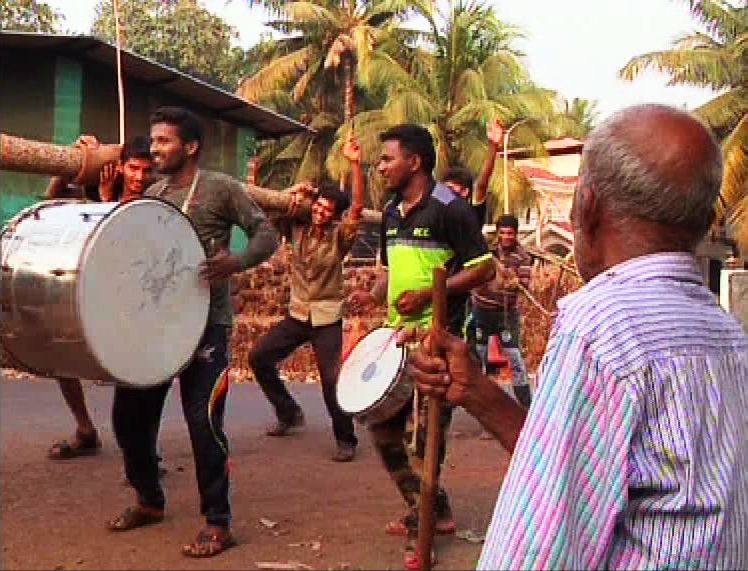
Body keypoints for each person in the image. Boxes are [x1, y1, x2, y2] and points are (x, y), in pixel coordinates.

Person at [407, 104, 748, 570]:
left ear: (586, 205)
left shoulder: (601, 326)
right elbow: (590, 470)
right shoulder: (728, 334)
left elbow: (536, 548)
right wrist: (479, 393)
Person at [106, 106, 279, 559]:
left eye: (164, 141)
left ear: (190, 146)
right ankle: (149, 499)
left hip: (207, 329)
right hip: (158, 329)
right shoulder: (155, 194)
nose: (156, 148)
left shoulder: (222, 189)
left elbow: (267, 235)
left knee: (204, 423)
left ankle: (218, 522)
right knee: (128, 417)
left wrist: (236, 261)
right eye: (154, 139)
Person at [348, 124, 494, 569]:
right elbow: (392, 273)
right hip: (399, 342)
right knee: (381, 430)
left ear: (414, 161)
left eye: (387, 158)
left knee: (425, 444)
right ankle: (431, 510)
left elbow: (484, 268)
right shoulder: (392, 212)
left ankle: (424, 533)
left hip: (439, 344)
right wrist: (372, 296)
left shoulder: (451, 209)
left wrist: (433, 295)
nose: (381, 166)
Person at [249, 134, 365, 462]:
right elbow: (268, 209)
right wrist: (296, 193)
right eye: (319, 206)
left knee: (331, 380)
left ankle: (347, 439)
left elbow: (356, 208)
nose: (321, 212)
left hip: (326, 318)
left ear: (334, 215)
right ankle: (288, 412)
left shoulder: (339, 238)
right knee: (259, 357)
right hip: (297, 314)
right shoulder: (295, 228)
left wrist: (355, 163)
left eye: (328, 210)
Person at [45, 135, 153, 460]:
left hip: (128, 299)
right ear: (121, 166)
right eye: (133, 168)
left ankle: (144, 455)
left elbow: (121, 243)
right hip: (88, 291)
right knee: (62, 359)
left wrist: (107, 204)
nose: (139, 178)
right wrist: (73, 160)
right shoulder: (98, 187)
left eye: (147, 171)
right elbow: (53, 199)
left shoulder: (154, 202)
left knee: (136, 378)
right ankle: (85, 430)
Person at [469, 214, 533, 408]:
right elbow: (474, 275)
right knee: (479, 357)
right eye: (502, 232)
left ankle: (526, 407)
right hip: (481, 311)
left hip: (506, 315)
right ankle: (481, 403)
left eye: (510, 233)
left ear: (516, 234)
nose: (506, 237)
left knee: (514, 357)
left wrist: (509, 280)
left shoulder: (522, 257)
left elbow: (522, 285)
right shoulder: (487, 253)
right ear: (497, 234)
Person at [442, 117, 504, 226]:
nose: (446, 193)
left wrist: (493, 146)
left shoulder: (472, 212)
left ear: (465, 192)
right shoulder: (439, 214)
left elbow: (481, 185)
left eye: (450, 188)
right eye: (444, 189)